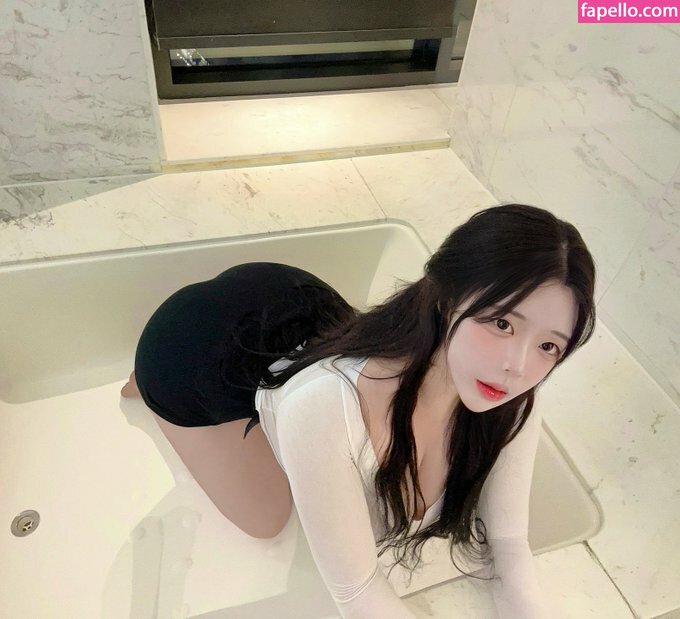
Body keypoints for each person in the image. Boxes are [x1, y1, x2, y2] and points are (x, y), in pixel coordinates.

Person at [121, 203, 596, 619]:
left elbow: (509, 542)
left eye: (549, 346)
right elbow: (356, 591)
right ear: (447, 298)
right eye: (502, 323)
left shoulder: (510, 396)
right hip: (193, 352)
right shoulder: (327, 406)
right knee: (266, 521)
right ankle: (146, 383)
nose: (518, 366)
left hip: (303, 311)